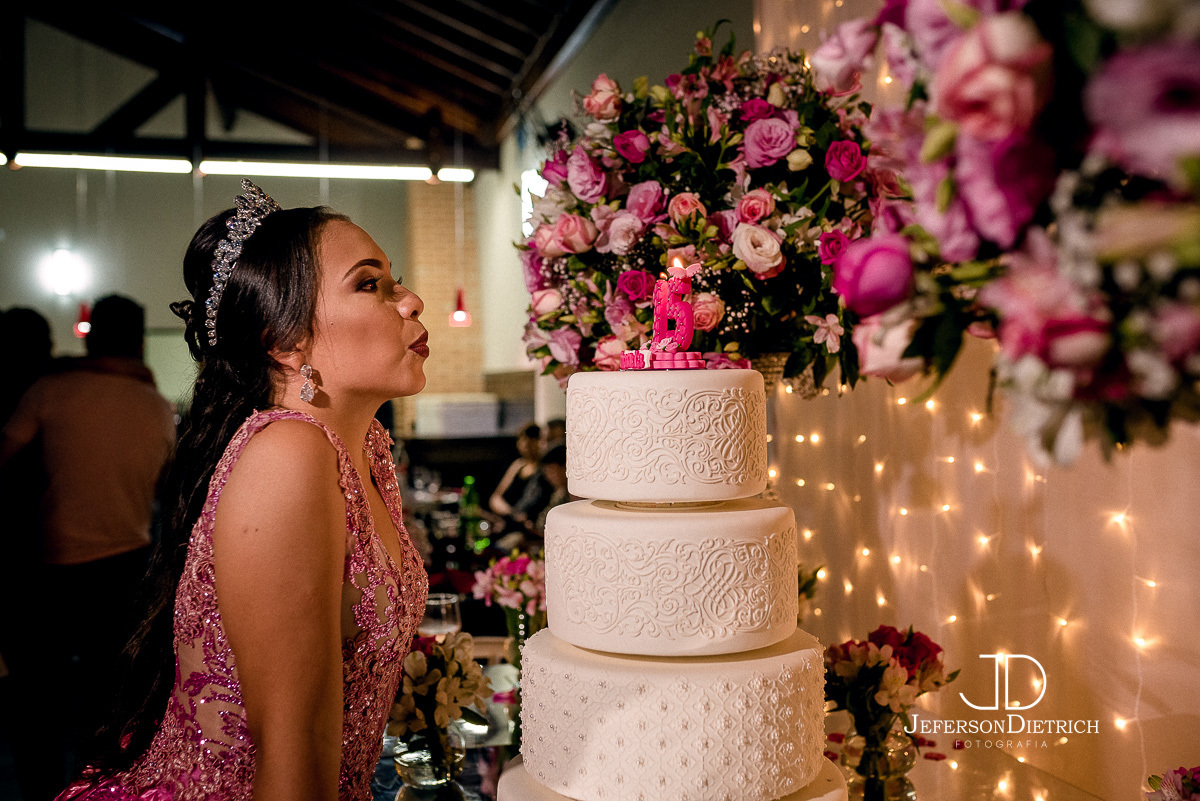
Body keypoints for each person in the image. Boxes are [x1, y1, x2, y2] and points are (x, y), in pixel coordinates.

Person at [56, 180, 430, 801]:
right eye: (370, 284)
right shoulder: (289, 453)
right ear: (285, 344)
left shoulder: (363, 449)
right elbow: (291, 764)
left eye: (395, 279)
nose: (411, 300)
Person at [0, 296, 175, 801]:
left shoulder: (51, 390)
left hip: (50, 569)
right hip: (128, 570)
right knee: (108, 705)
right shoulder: (156, 406)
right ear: (140, 341)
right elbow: (167, 493)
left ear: (88, 336)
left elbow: (4, 455)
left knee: (37, 707)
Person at [488, 422, 542, 522]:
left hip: (526, 521)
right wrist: (511, 513)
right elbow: (495, 498)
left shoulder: (543, 469)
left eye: (531, 440)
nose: (526, 444)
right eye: (522, 440)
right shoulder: (518, 465)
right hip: (508, 517)